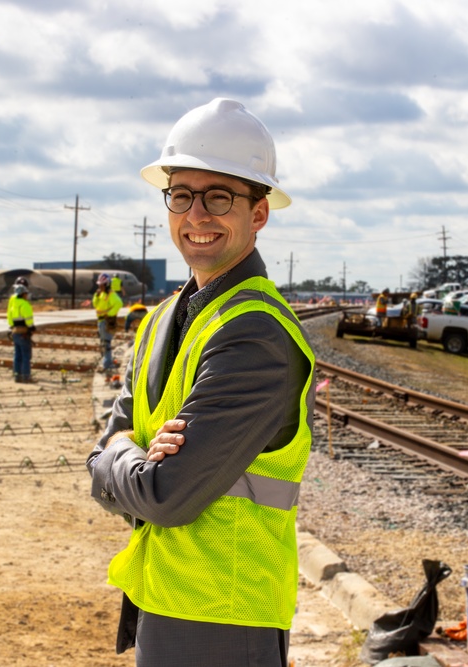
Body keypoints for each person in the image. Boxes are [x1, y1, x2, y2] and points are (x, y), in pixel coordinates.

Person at [86, 98, 316, 667]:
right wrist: (127, 455)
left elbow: (167, 493)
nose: (197, 215)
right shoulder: (163, 319)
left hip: (225, 617)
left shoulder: (255, 335)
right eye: (182, 195)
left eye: (219, 197)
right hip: (163, 600)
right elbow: (103, 453)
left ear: (258, 213)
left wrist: (122, 457)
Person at [93, 273, 123, 371]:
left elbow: (119, 303)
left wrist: (109, 314)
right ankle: (106, 361)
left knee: (106, 342)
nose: (99, 286)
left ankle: (107, 363)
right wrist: (96, 296)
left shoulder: (111, 294)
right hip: (101, 321)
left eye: (101, 285)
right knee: (103, 342)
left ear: (106, 284)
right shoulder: (100, 294)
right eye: (99, 284)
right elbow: (95, 304)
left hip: (105, 321)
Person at [6, 284, 34, 383]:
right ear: (23, 294)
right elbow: (29, 320)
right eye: (26, 293)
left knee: (17, 355)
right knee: (26, 356)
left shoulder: (13, 304)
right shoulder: (24, 304)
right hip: (23, 332)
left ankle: (17, 376)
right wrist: (31, 327)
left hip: (15, 332)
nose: (27, 295)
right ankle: (26, 377)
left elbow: (10, 317)